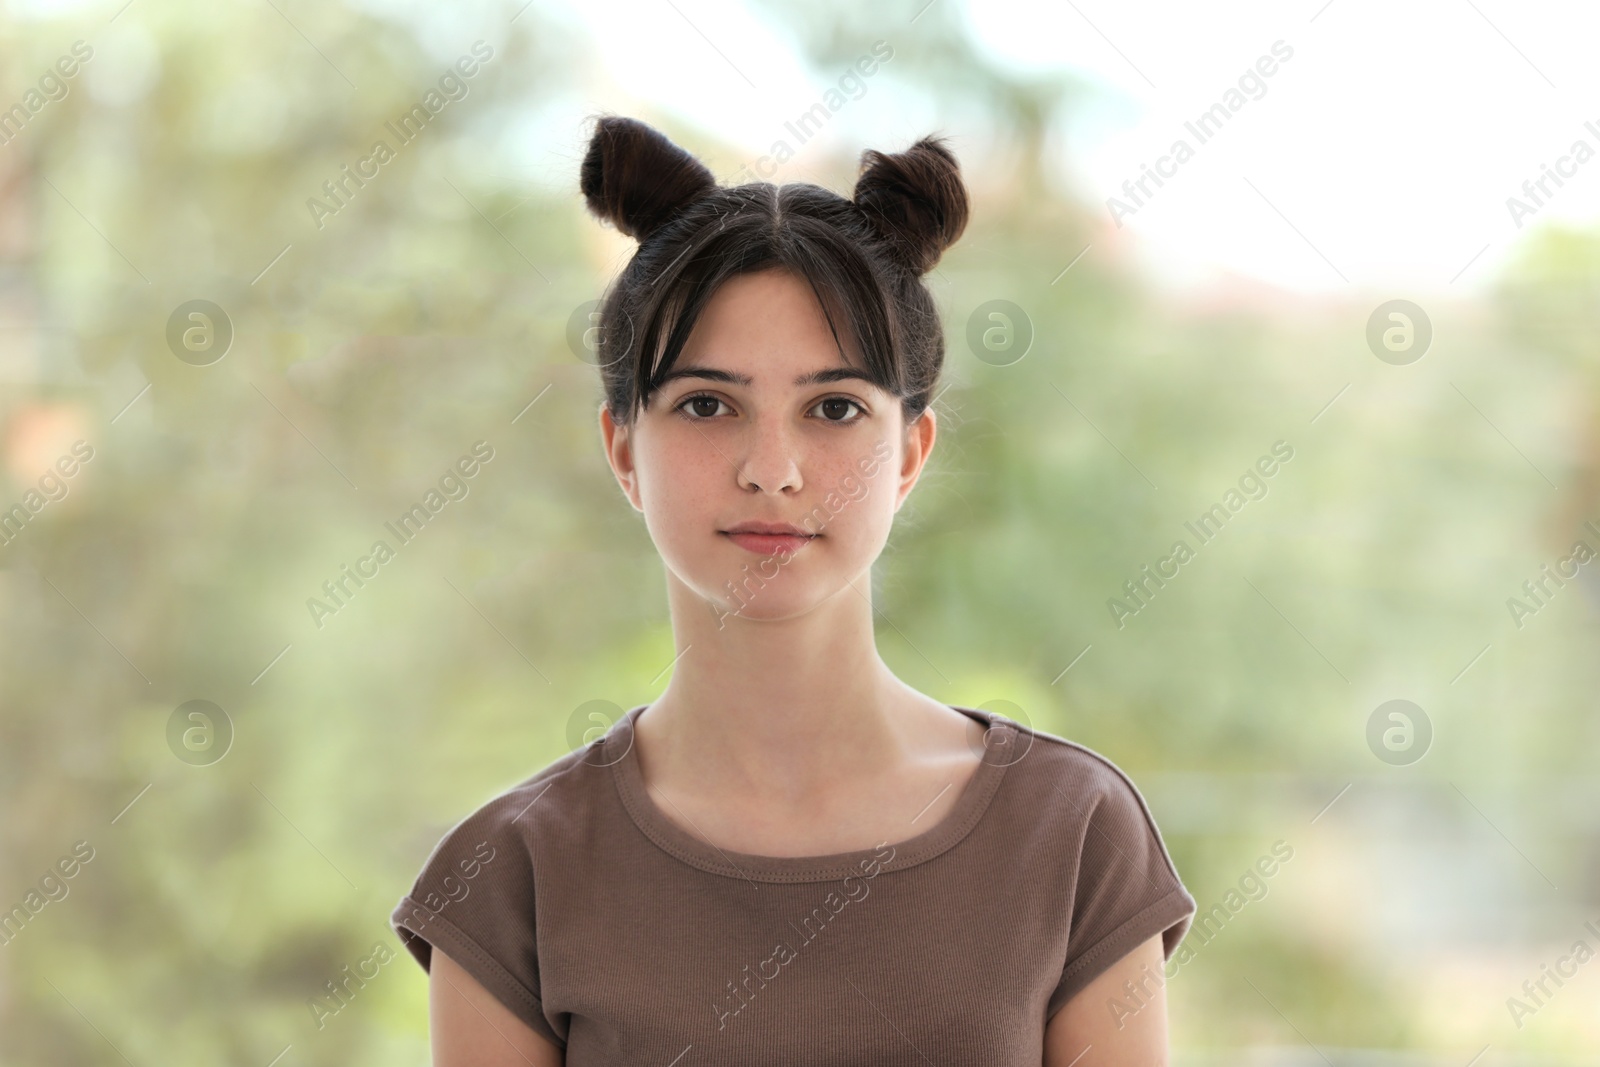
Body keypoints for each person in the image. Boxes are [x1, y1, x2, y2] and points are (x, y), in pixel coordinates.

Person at [390, 114, 1197, 1066]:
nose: (772, 469)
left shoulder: (1069, 837)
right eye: (705, 403)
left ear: (908, 453)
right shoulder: (512, 875)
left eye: (834, 408)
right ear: (621, 450)